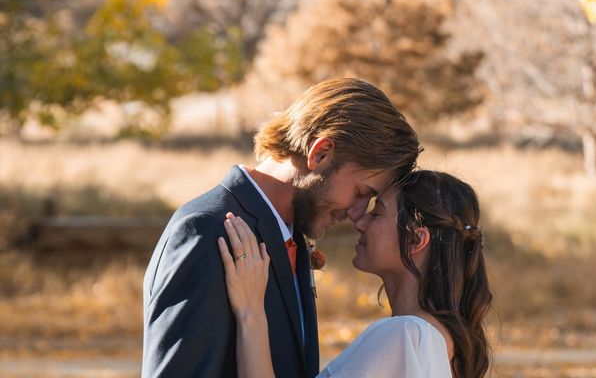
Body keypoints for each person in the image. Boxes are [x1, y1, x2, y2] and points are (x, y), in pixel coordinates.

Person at [141, 78, 421, 377]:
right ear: (321, 153)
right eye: (361, 192)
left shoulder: (290, 233)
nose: (356, 214)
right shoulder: (209, 232)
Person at [219, 170, 493, 378]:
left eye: (377, 213)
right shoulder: (446, 340)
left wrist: (251, 312)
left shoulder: (404, 336)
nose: (358, 221)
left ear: (415, 240)